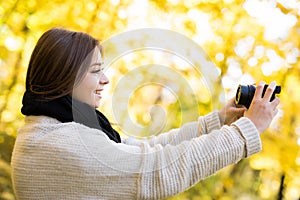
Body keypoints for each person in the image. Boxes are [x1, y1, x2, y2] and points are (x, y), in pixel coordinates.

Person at [11, 27, 280, 200]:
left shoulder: (48, 131)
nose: (105, 79)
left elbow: (145, 150)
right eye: (95, 71)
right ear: (64, 77)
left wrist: (219, 121)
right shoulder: (61, 143)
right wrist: (247, 131)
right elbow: (156, 170)